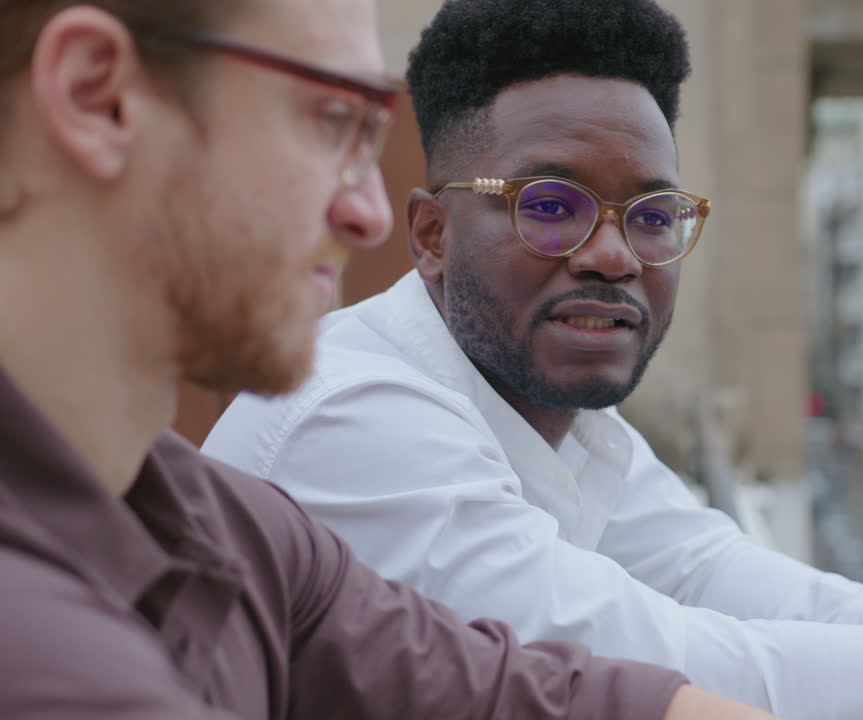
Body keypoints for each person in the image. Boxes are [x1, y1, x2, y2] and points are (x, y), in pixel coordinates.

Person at [203, 0, 863, 718]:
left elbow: (736, 581)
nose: (612, 254)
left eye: (654, 215)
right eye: (550, 206)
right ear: (428, 233)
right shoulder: (348, 412)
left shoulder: (572, 428)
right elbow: (689, 672)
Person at [0, 1, 778, 718]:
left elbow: (511, 688)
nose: (369, 214)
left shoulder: (216, 518)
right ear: (97, 96)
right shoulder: (45, 656)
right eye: (330, 119)